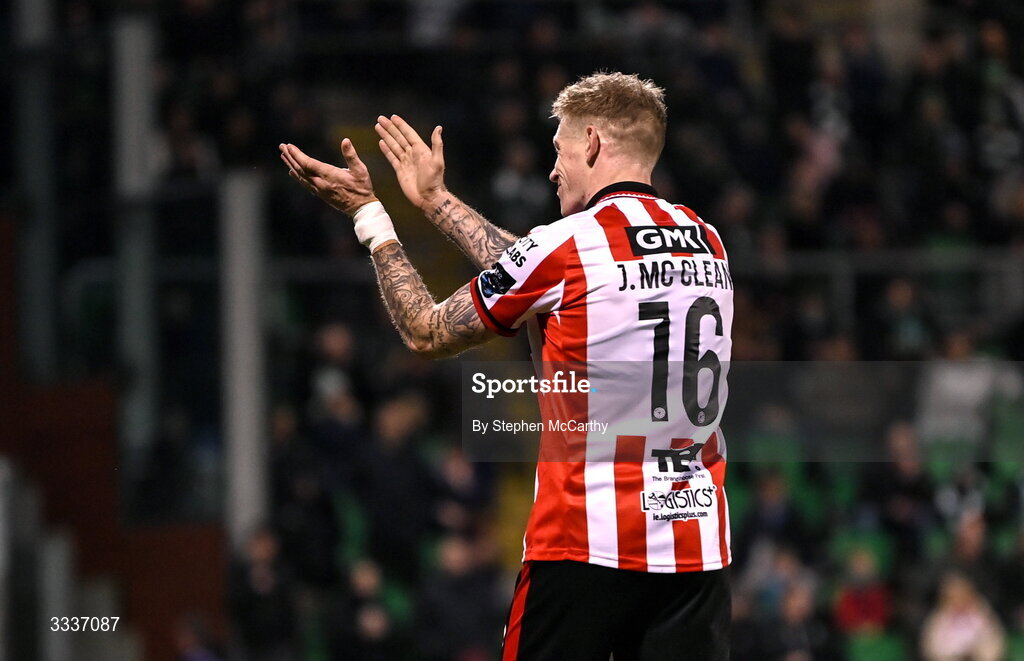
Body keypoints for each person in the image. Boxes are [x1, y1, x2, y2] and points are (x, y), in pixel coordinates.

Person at [279, 71, 734, 661]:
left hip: (584, 550)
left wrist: (372, 217)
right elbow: (545, 277)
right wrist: (437, 202)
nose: (552, 170)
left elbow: (427, 330)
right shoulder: (707, 241)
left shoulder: (567, 247)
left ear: (591, 143)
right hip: (694, 549)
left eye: (559, 151)